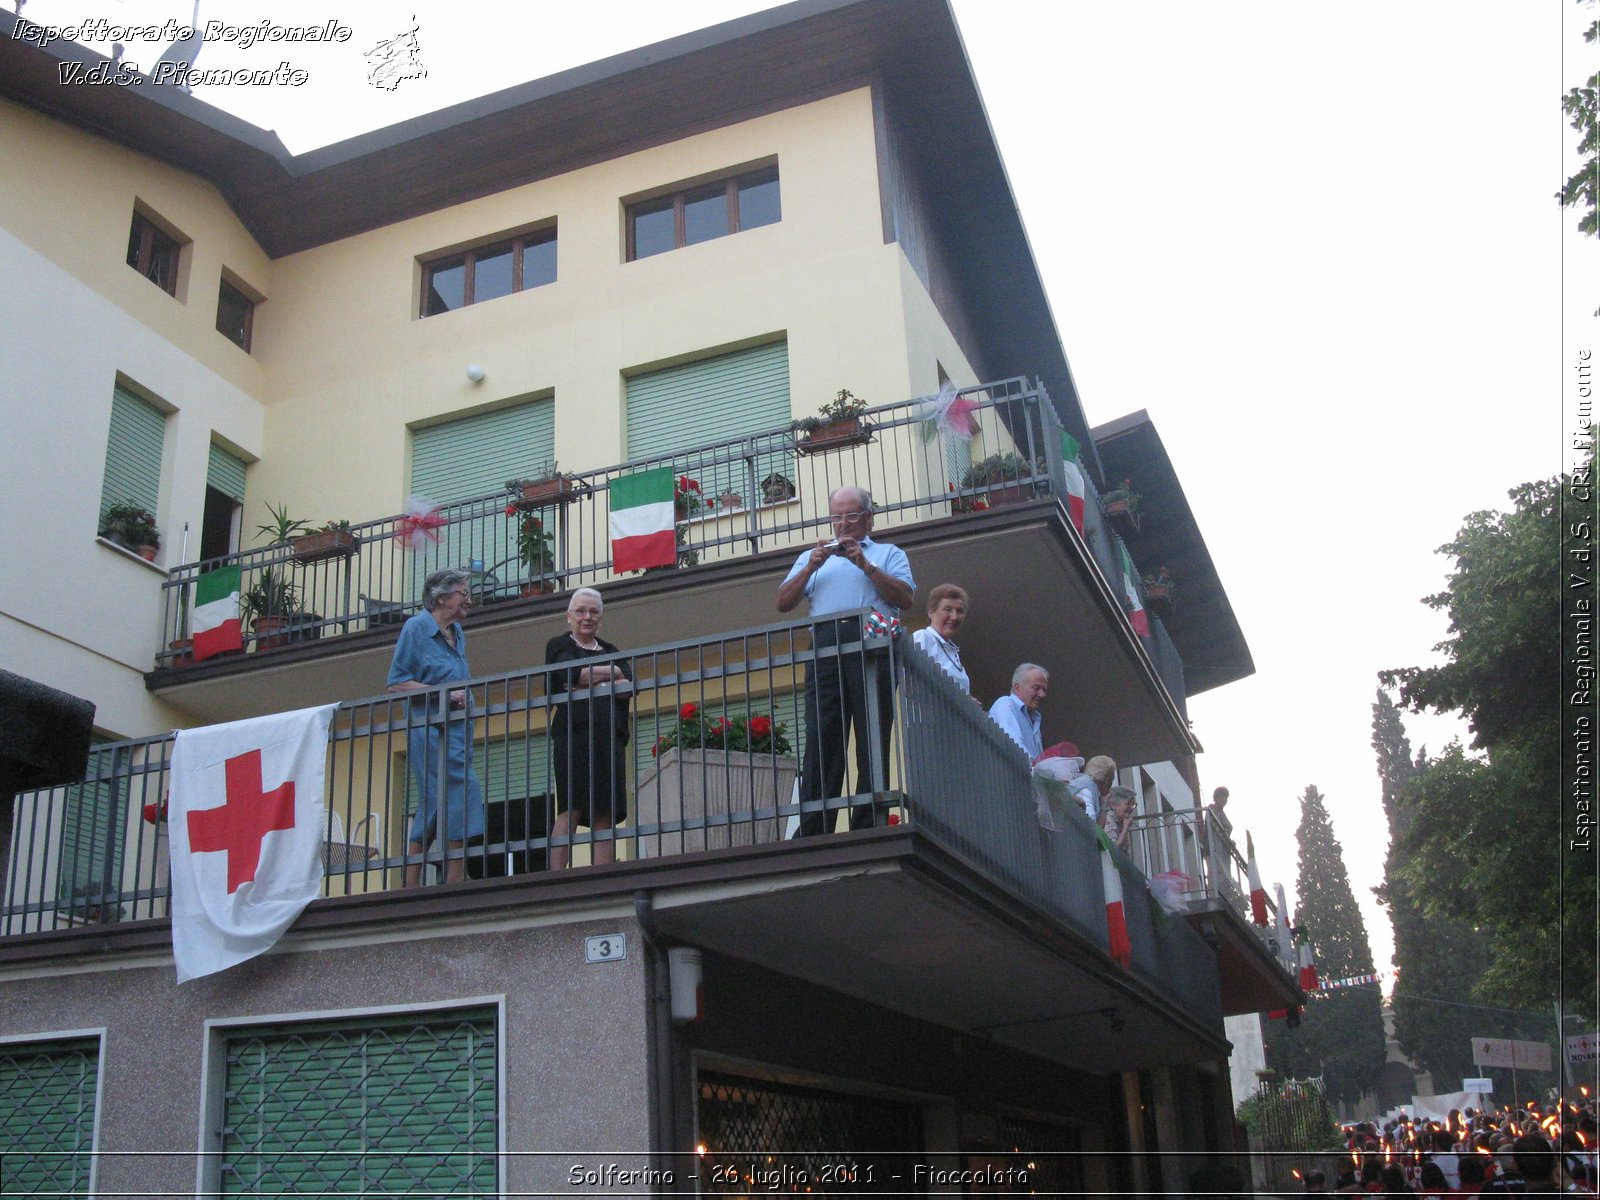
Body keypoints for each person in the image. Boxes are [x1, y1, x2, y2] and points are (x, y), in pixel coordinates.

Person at [777, 486, 915, 836]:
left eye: (851, 516)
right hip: (824, 642)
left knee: (873, 731)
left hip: (872, 641)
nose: (843, 524)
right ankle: (814, 826)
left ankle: (869, 822)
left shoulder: (888, 553)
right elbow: (783, 602)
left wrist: (865, 565)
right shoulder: (815, 556)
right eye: (837, 517)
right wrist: (810, 566)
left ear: (868, 518)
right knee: (821, 734)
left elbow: (905, 597)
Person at [387, 567, 486, 886]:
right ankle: (423, 880)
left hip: (456, 729)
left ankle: (448, 875)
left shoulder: (457, 632)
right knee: (441, 794)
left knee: (459, 792)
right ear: (442, 597)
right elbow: (397, 682)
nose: (468, 601)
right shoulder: (416, 627)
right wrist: (443, 693)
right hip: (428, 728)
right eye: (463, 594)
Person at [546, 588, 633, 869]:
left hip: (609, 737)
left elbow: (628, 686)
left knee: (605, 810)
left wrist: (592, 680)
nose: (587, 617)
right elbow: (570, 673)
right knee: (571, 806)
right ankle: (556, 875)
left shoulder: (611, 650)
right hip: (574, 735)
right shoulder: (559, 645)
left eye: (594, 612)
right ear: (569, 616)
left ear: (601, 618)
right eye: (581, 611)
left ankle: (602, 873)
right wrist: (610, 675)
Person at [911, 583, 969, 694]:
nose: (954, 617)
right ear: (931, 613)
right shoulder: (923, 637)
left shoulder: (953, 653)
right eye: (948, 609)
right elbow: (917, 680)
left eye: (959, 611)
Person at [988, 663, 1047, 759]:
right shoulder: (1005, 704)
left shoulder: (1034, 719)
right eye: (1036, 688)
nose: (1042, 694)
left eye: (1044, 690)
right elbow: (1013, 746)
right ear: (1017, 688)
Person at [1074, 754, 1117, 820]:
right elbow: (1091, 826)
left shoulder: (1082, 783)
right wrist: (1104, 805)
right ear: (1107, 780)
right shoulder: (1086, 791)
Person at [1100, 784, 1137, 850]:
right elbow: (1113, 849)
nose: (1131, 808)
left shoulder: (1119, 821)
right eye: (1128, 804)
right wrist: (1125, 828)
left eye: (1133, 804)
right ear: (1114, 805)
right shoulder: (1108, 820)